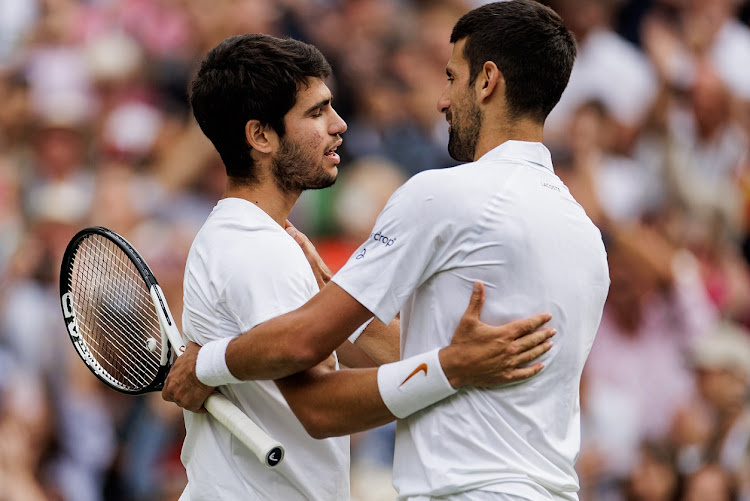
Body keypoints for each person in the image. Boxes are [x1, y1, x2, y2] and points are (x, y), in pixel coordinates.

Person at [164, 1, 611, 499]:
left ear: (487, 81)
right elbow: (432, 359)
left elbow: (311, 361)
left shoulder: (441, 195)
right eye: (317, 111)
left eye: (450, 77)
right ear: (260, 135)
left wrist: (205, 363)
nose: (442, 100)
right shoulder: (585, 232)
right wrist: (434, 355)